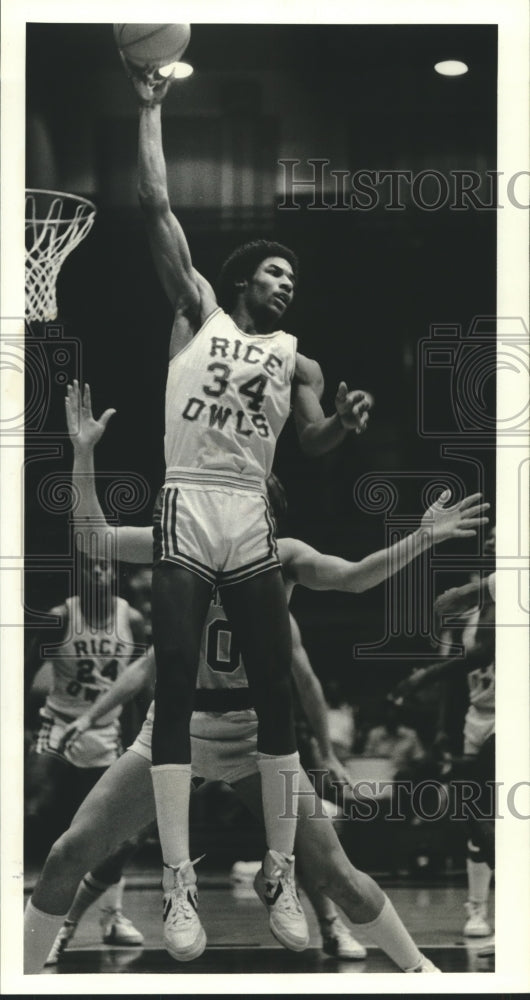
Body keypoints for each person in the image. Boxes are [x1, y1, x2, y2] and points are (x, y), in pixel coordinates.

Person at [23, 381, 489, 973]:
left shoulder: (283, 552)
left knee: (340, 875)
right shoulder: (177, 538)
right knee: (68, 852)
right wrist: (83, 452)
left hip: (254, 737)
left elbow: (352, 577)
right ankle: (22, 977)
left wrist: (421, 538)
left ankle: (425, 974)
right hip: (175, 732)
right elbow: (92, 536)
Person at [123, 58, 373, 962]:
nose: (287, 285)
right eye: (275, 273)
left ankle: (278, 871)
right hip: (188, 502)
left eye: (293, 279)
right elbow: (155, 209)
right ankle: (181, 883)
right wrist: (150, 112)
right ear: (241, 283)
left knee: (279, 693)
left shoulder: (298, 360)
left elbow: (305, 446)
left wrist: (339, 426)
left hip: (248, 511)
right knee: (179, 682)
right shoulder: (198, 314)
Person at [24, 552, 147, 955]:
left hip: (106, 733)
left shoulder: (132, 620)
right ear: (80, 574)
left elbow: (137, 685)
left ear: (115, 572)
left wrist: (135, 740)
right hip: (58, 726)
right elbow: (24, 670)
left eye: (107, 565)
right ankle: (37, 908)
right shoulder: (60, 616)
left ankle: (111, 916)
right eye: (92, 566)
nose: (99, 571)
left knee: (122, 832)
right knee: (37, 809)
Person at [393, 536, 495, 946]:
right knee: (477, 814)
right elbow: (457, 674)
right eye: (486, 544)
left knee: (492, 811)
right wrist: (440, 730)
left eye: (497, 543)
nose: (490, 548)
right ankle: (478, 908)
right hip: (476, 717)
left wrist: (424, 677)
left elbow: (485, 653)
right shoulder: (464, 611)